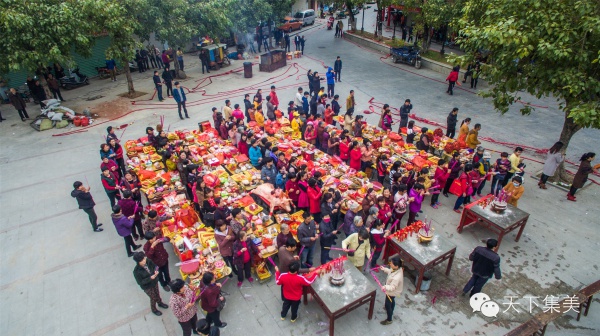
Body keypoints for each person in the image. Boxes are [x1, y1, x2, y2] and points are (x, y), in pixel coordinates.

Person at [132, 252, 169, 316]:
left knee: (157, 293)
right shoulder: (136, 271)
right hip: (147, 287)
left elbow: (156, 266)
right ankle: (154, 309)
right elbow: (140, 282)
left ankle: (160, 303)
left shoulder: (148, 261)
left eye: (144, 259)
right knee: (153, 297)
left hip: (154, 281)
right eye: (142, 260)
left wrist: (156, 270)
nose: (144, 261)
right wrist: (150, 278)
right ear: (138, 262)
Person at [379, 256, 404, 325]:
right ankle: (391, 310)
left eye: (392, 264)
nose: (390, 264)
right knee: (392, 300)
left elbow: (392, 287)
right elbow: (390, 271)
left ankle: (389, 319)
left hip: (392, 292)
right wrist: (384, 269)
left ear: (396, 266)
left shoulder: (396, 278)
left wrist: (385, 287)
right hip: (395, 292)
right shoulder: (397, 269)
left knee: (388, 304)